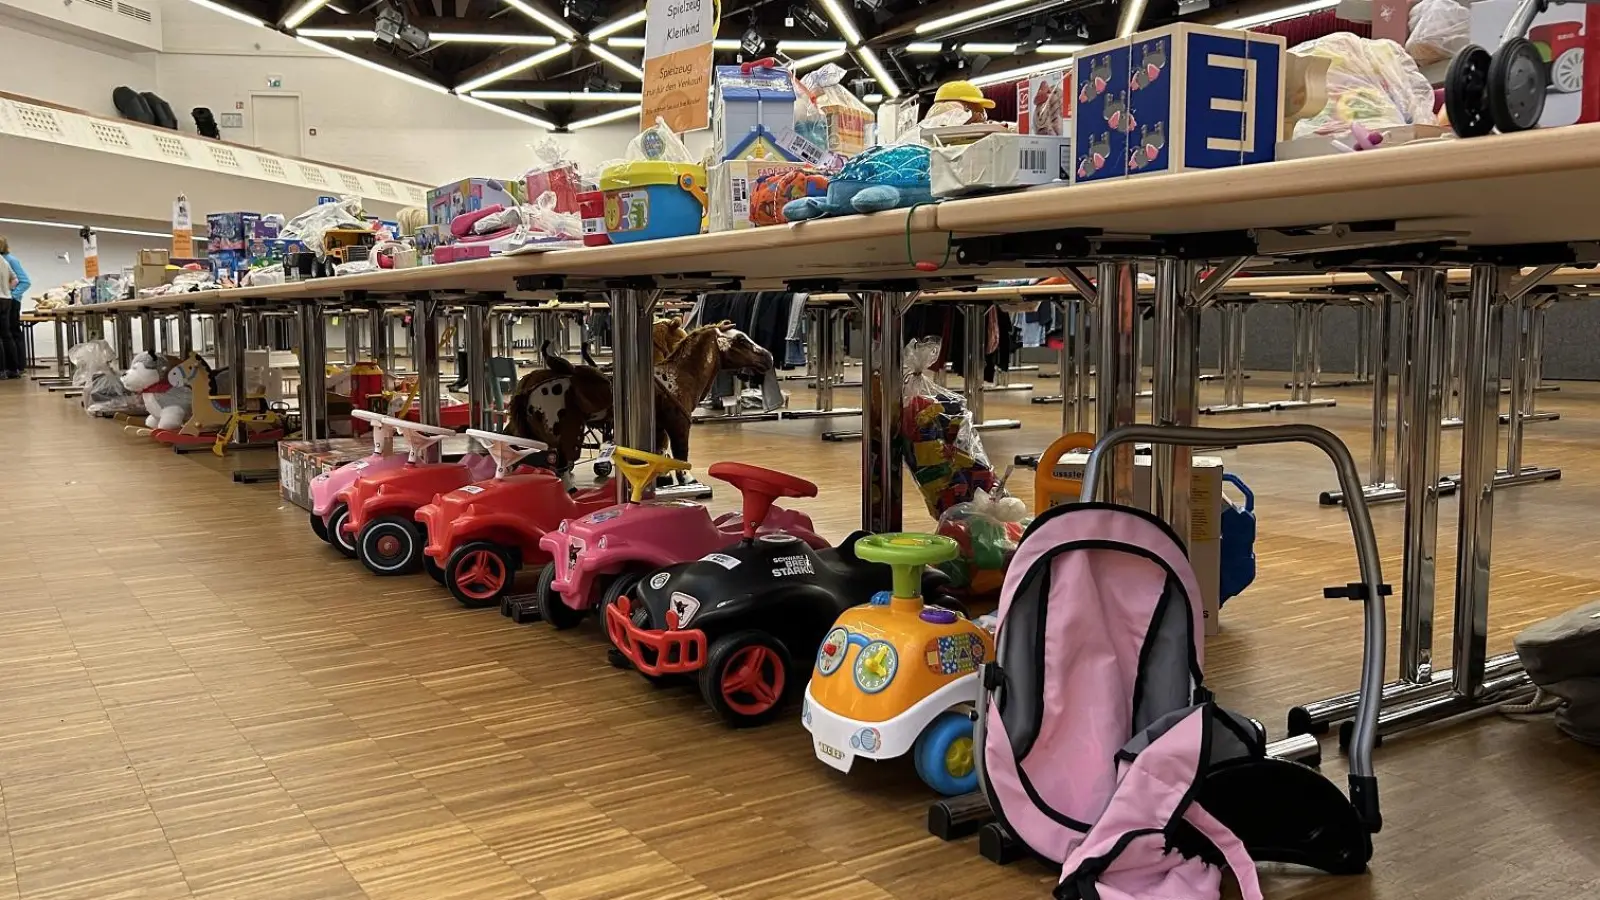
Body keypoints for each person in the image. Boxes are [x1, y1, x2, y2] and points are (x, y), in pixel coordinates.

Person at [0, 236, 27, 379]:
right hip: (6, 299)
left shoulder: (9, 260)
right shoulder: (4, 261)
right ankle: (13, 369)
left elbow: (23, 281)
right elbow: (15, 279)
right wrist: (7, 290)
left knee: (7, 334)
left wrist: (12, 292)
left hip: (6, 298)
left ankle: (2, 370)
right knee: (7, 334)